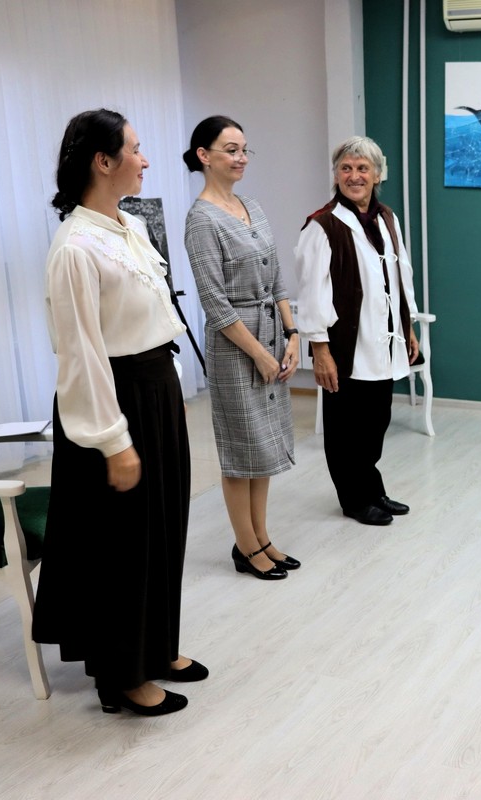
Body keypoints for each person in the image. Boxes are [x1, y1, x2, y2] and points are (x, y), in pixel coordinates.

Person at [32, 109, 204, 716]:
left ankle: (157, 645)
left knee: (163, 527)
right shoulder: (74, 248)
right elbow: (80, 354)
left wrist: (168, 395)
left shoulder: (129, 225)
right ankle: (123, 675)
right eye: (134, 148)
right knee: (124, 543)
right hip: (116, 398)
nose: (145, 159)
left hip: (155, 389)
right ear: (102, 162)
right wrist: (113, 439)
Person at [184, 115, 299, 581]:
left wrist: (292, 334)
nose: (241, 158)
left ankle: (262, 537)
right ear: (204, 156)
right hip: (236, 345)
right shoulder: (201, 219)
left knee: (264, 446)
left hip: (272, 333)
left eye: (244, 149)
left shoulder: (252, 206)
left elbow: (277, 276)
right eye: (231, 150)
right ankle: (246, 546)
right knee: (241, 448)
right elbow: (214, 303)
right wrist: (259, 352)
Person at [294, 136, 419, 526]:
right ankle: (353, 499)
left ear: (377, 175)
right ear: (336, 175)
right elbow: (311, 291)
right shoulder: (323, 224)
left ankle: (372, 489)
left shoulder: (387, 218)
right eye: (346, 168)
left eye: (363, 168)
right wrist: (320, 349)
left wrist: (408, 325)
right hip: (346, 345)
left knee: (376, 420)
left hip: (384, 340)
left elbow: (401, 275)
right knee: (346, 427)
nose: (354, 176)